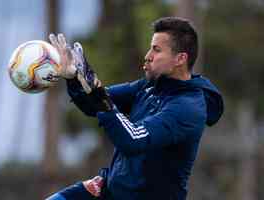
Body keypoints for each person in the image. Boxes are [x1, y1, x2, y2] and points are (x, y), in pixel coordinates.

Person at [45, 17, 224, 200]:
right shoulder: (148, 87)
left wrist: (102, 100)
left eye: (156, 49)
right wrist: (74, 77)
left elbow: (132, 140)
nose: (148, 56)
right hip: (110, 190)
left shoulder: (188, 108)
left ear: (180, 59)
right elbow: (95, 104)